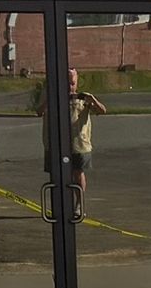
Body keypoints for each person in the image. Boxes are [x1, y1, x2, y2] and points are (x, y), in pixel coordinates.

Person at [31, 69, 108, 210]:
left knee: (78, 173)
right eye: (66, 83)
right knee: (56, 174)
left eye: (72, 83)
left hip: (78, 143)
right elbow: (38, 112)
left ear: (77, 82)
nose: (70, 87)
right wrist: (50, 100)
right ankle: (59, 204)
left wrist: (93, 101)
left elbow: (102, 110)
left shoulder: (83, 97)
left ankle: (79, 204)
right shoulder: (49, 95)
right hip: (54, 143)